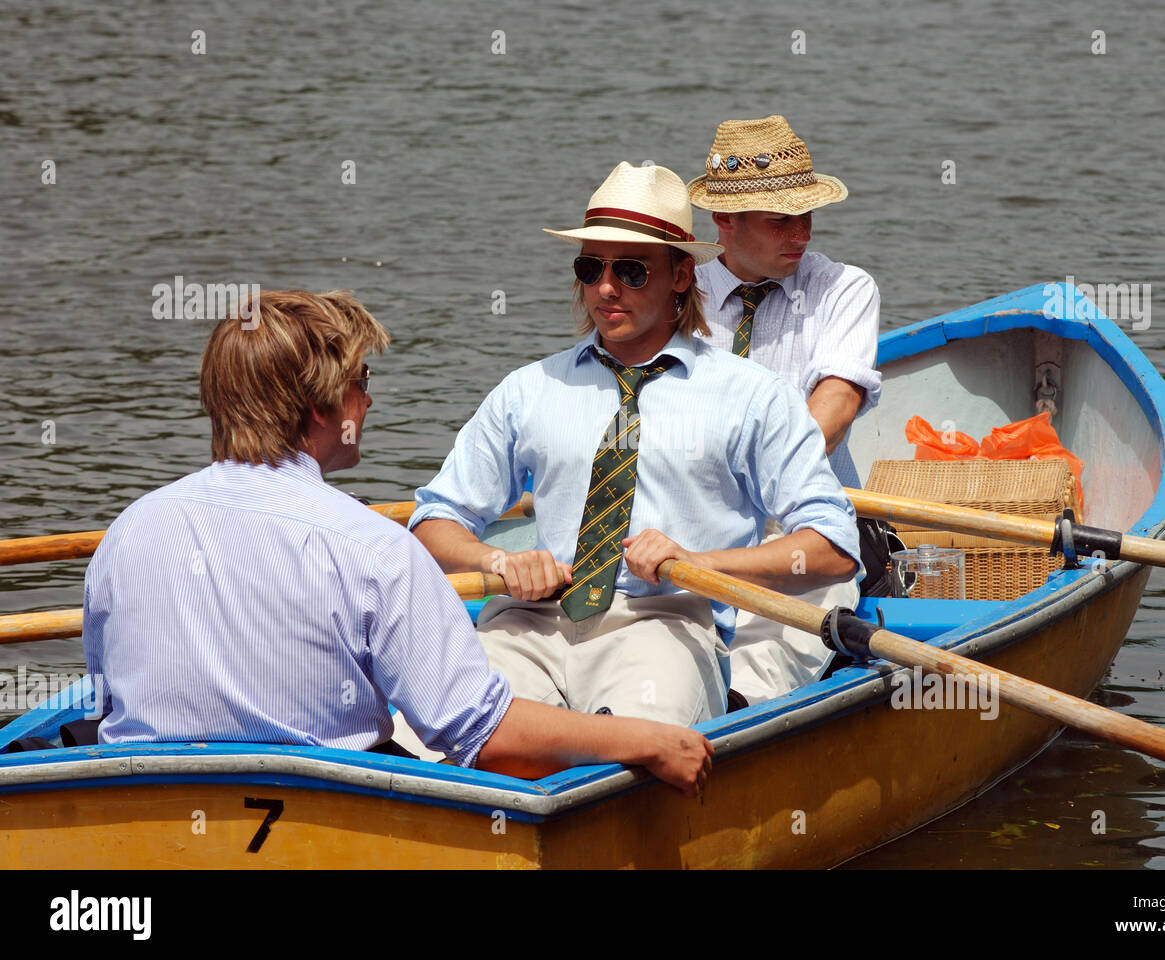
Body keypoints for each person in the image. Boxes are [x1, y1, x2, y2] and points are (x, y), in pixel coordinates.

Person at [81, 289, 712, 795]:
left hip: (141, 800)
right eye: (360, 380)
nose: (371, 399)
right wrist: (644, 740)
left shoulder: (129, 532)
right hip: (320, 808)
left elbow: (112, 693)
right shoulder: (372, 546)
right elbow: (484, 735)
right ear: (323, 407)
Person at [409, 162, 861, 727]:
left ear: (680, 276)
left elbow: (835, 548)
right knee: (429, 729)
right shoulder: (527, 389)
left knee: (634, 742)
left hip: (666, 622)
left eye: (631, 271)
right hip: (529, 621)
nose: (605, 287)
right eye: (589, 267)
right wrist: (495, 558)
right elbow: (433, 519)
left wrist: (694, 562)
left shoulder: (753, 396)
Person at [687, 115, 885, 706]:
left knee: (768, 650)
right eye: (780, 220)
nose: (799, 233)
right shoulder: (675, 295)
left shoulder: (845, 288)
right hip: (689, 523)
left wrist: (736, 480)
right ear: (724, 220)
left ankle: (740, 709)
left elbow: (835, 408)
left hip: (807, 526)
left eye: (807, 215)